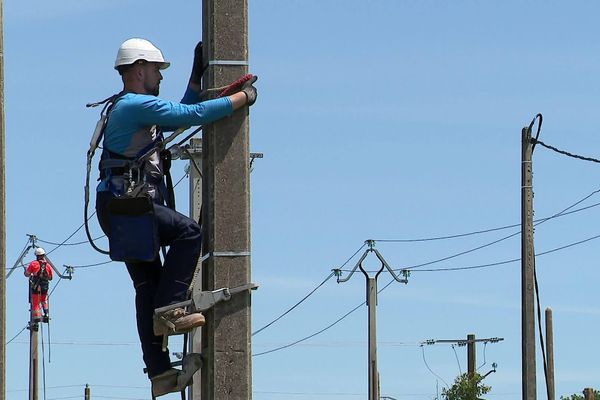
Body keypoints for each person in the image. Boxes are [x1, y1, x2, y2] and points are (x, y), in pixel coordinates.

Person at [93, 38, 257, 397]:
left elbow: (181, 110)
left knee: (145, 287)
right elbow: (190, 116)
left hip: (118, 207)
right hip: (129, 206)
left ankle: (160, 372)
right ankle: (170, 309)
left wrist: (197, 81)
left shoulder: (128, 107)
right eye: (156, 69)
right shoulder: (134, 105)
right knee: (188, 233)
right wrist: (241, 100)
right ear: (139, 70)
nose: (159, 76)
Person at [24, 247, 53, 323]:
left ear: (36, 256)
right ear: (43, 255)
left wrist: (27, 272)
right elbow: (50, 278)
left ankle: (36, 319)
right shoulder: (48, 266)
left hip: (36, 285)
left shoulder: (33, 264)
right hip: (44, 285)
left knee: (36, 302)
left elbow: (27, 274)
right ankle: (46, 314)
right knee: (44, 300)